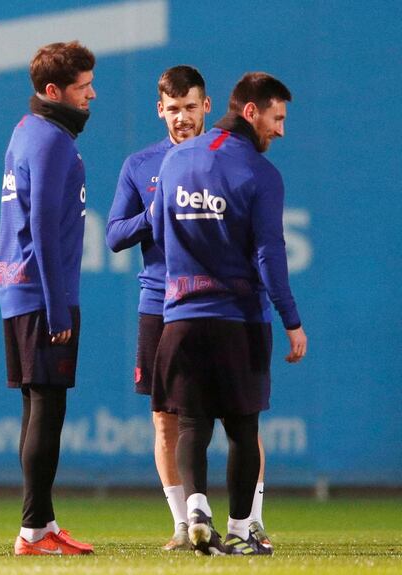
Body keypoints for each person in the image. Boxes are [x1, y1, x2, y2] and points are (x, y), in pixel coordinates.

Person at [106, 66, 273, 551]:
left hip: (223, 303)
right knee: (166, 418)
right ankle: (185, 523)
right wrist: (154, 213)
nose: (182, 118)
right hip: (161, 302)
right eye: (172, 109)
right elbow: (115, 233)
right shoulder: (141, 165)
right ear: (160, 110)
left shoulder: (231, 160)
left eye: (190, 107)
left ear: (207, 106)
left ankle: (252, 518)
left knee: (242, 416)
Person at [150, 72, 307, 556]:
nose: (280, 130)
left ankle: (196, 507)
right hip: (239, 317)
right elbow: (269, 254)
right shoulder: (260, 174)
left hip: (180, 316)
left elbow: (158, 228)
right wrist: (291, 318)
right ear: (251, 111)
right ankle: (241, 530)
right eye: (277, 118)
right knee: (243, 428)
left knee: (192, 424)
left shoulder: (175, 160)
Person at [0, 41, 96, 556]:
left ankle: (39, 523)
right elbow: (41, 226)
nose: (91, 96)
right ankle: (33, 531)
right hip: (43, 295)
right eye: (82, 88)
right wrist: (58, 308)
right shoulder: (53, 140)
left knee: (34, 409)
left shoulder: (24, 130)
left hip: (19, 290)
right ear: (54, 91)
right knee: (48, 409)